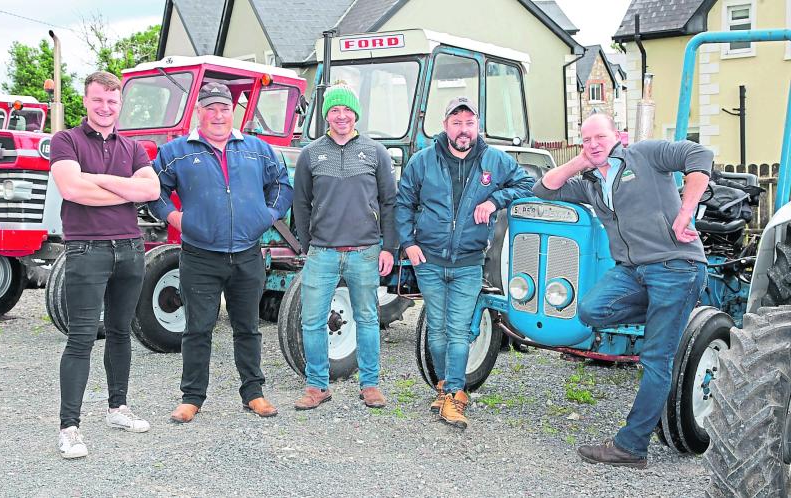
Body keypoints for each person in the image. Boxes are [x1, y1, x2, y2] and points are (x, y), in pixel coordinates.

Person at [532, 113, 711, 468]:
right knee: (590, 310)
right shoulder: (590, 183)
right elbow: (543, 188)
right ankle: (670, 314)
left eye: (600, 136)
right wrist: (583, 160)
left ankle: (631, 447)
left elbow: (699, 155)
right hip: (633, 271)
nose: (594, 144)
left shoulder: (646, 155)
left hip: (676, 265)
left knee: (656, 361)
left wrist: (685, 211)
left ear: (619, 136)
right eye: (586, 140)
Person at [149, 82, 293, 423]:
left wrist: (268, 216)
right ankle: (192, 397)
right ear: (199, 112)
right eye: (210, 108)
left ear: (233, 112)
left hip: (247, 254)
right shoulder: (176, 152)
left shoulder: (258, 149)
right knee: (198, 328)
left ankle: (253, 393)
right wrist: (174, 217)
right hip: (199, 255)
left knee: (248, 327)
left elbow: (282, 184)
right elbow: (155, 191)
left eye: (223, 108)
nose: (217, 115)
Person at [395, 96, 534, 429]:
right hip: (428, 260)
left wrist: (495, 199)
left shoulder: (495, 161)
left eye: (469, 123)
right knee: (437, 331)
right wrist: (408, 244)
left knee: (458, 331)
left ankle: (454, 394)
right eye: (456, 123)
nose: (463, 130)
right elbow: (403, 203)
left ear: (477, 126)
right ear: (445, 126)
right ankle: (446, 388)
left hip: (469, 262)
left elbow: (527, 183)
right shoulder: (422, 161)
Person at [51, 71, 161, 459]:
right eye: (98, 100)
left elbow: (151, 190)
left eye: (112, 101)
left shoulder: (132, 147)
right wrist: (121, 186)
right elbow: (71, 189)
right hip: (86, 249)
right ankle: (69, 428)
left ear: (120, 104)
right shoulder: (66, 140)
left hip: (130, 249)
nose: (105, 107)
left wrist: (97, 181)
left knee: (120, 332)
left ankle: (118, 408)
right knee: (81, 337)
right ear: (86, 100)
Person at [292, 82, 396, 410]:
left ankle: (370, 385)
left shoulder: (374, 152)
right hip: (322, 253)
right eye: (334, 110)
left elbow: (389, 202)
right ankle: (317, 385)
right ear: (326, 116)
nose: (341, 116)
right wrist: (310, 245)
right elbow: (301, 204)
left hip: (365, 251)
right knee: (312, 321)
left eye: (347, 110)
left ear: (356, 114)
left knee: (367, 318)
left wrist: (388, 248)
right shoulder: (311, 154)